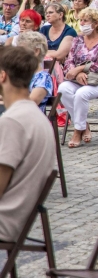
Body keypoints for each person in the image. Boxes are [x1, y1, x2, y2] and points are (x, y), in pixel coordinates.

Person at [0, 46, 56, 243]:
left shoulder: (13, 121)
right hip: (19, 218)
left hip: (6, 220)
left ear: (2, 76)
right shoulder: (35, 116)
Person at [59, 8, 98, 148]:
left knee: (81, 94)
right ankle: (83, 124)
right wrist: (77, 73)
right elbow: (69, 62)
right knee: (62, 89)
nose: (82, 23)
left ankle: (77, 131)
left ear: (96, 23)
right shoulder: (77, 40)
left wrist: (80, 68)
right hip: (78, 79)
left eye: (85, 20)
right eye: (81, 20)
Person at [16, 32, 53, 112]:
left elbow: (31, 102)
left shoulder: (43, 78)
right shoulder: (18, 74)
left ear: (36, 51)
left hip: (28, 120)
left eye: (22, 50)